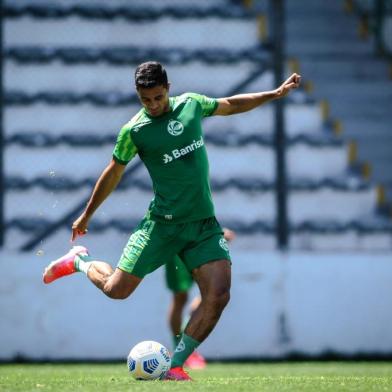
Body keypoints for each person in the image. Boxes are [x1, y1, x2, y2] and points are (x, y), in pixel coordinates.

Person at [43, 61, 301, 381]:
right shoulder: (134, 131)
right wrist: (87, 214)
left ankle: (174, 365)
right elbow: (113, 172)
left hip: (203, 224)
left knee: (219, 295)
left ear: (169, 88)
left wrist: (274, 94)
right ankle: (79, 262)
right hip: (161, 225)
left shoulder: (191, 105)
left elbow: (231, 104)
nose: (152, 105)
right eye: (145, 99)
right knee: (116, 290)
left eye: (158, 97)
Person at [167, 228, 235, 370]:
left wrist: (218, 232)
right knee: (180, 297)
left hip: (201, 244)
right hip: (177, 243)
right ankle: (177, 346)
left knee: (212, 293)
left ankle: (184, 347)